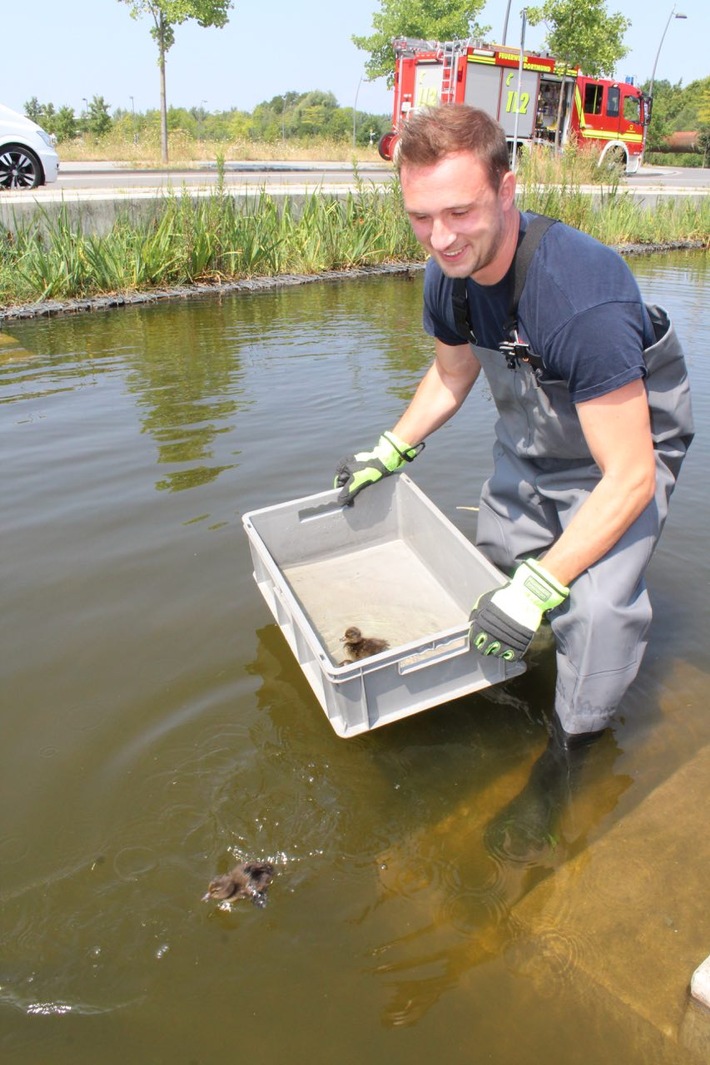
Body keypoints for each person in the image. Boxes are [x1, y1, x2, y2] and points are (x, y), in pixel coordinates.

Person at [334, 104, 693, 750]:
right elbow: (450, 376)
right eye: (421, 217)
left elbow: (631, 474)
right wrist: (388, 449)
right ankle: (500, 685)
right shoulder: (450, 278)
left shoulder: (580, 294)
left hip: (621, 451)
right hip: (536, 439)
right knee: (494, 562)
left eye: (460, 212)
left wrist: (541, 586)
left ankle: (569, 753)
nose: (440, 238)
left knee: (598, 605)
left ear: (506, 190)